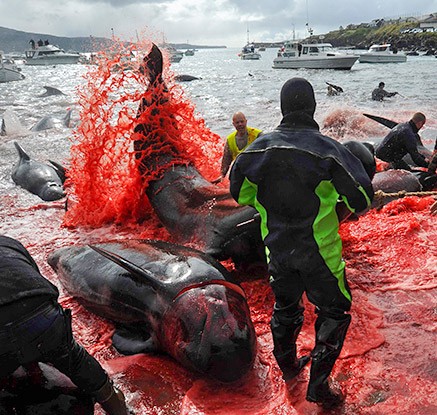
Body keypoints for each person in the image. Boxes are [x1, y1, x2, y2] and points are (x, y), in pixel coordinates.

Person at [229, 78, 374, 409]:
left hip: (276, 249)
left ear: (282, 109)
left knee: (285, 308)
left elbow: (240, 193)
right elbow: (363, 196)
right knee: (335, 311)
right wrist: (333, 201)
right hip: (319, 253)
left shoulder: (256, 150)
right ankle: (319, 387)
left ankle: (290, 368)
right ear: (312, 108)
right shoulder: (329, 151)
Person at [0, 235, 129, 415]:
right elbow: (34, 281)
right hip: (44, 317)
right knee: (78, 363)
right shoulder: (8, 243)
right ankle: (121, 410)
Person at [212, 112, 262, 183]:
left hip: (256, 171)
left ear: (246, 121)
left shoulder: (258, 134)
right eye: (237, 122)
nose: (240, 124)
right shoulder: (230, 139)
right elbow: (226, 159)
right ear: (233, 124)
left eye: (242, 122)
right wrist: (222, 176)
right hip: (240, 173)